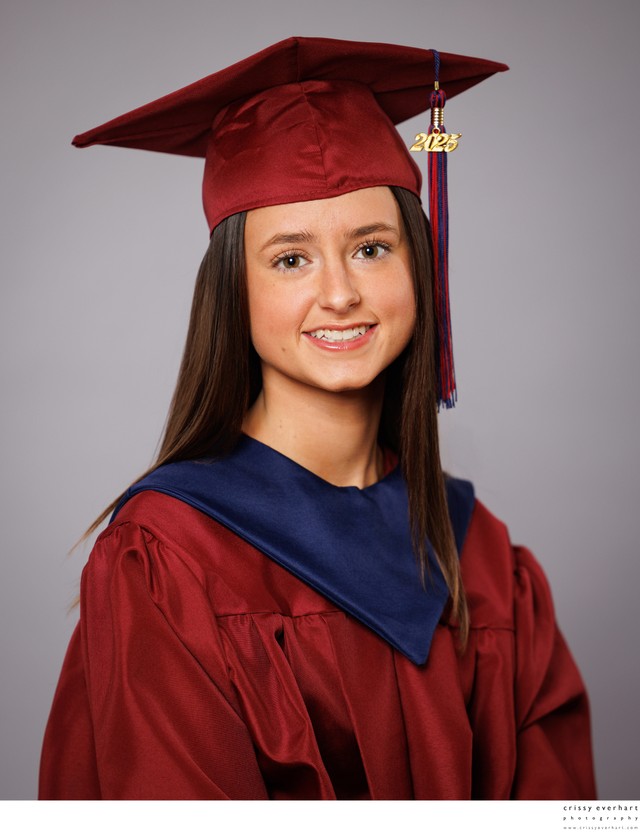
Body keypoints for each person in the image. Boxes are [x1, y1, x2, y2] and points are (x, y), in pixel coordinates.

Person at [39, 36, 596, 800]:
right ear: (235, 292)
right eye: (291, 258)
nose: (339, 293)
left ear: (419, 268)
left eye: (371, 247)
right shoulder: (167, 558)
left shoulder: (490, 562)